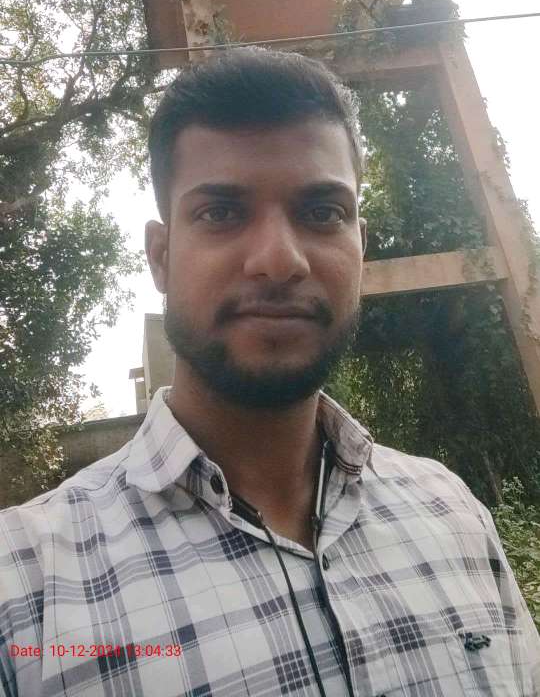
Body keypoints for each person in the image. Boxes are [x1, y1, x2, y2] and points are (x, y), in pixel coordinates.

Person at [0, 47, 539, 697]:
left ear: (359, 246)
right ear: (161, 257)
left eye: (322, 213)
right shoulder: (25, 588)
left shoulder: (454, 516)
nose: (279, 261)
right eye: (222, 213)